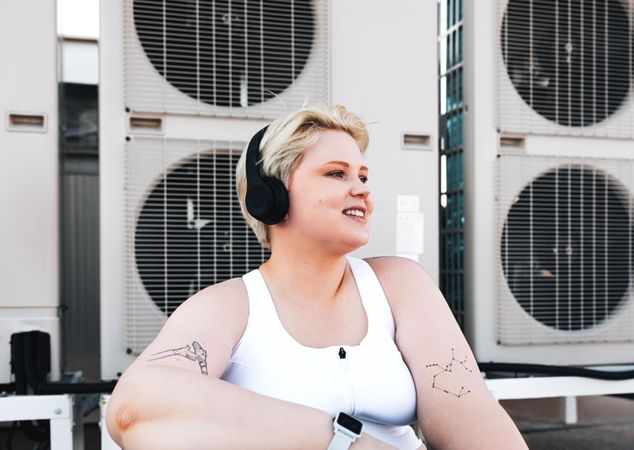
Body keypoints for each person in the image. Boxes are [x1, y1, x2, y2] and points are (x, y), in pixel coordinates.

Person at [106, 105, 528, 449]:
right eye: (337, 173)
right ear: (270, 197)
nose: (362, 189)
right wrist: (347, 444)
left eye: (363, 176)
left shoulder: (401, 284)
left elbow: (467, 410)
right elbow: (135, 410)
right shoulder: (228, 306)